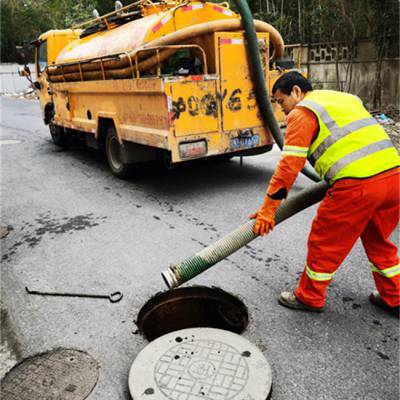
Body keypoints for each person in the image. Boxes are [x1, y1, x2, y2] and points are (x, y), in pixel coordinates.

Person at [251, 71, 399, 316]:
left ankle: (309, 296)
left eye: (281, 102)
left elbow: (289, 167)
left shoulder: (303, 112)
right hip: (394, 178)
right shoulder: (344, 98)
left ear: (296, 91)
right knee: (378, 241)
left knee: (324, 241)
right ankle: (395, 297)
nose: (283, 111)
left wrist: (267, 211)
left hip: (357, 186)